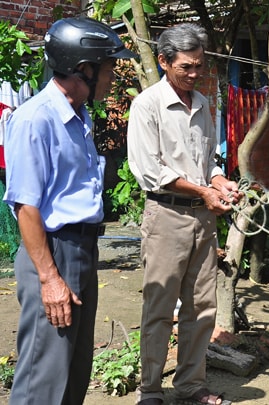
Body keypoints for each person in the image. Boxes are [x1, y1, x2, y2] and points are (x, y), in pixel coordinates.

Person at [2, 17, 137, 405]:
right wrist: (49, 279)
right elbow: (26, 206)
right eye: (109, 69)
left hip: (80, 249)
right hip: (52, 252)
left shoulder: (79, 115)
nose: (113, 78)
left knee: (75, 369)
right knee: (43, 375)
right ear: (84, 69)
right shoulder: (36, 119)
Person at [127, 23, 241, 405]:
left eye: (199, 67)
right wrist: (204, 191)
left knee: (202, 307)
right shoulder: (147, 105)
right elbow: (149, 171)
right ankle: (150, 389)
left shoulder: (204, 104)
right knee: (160, 307)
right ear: (163, 61)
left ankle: (191, 385)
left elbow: (205, 162)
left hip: (203, 220)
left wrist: (220, 181)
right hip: (166, 217)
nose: (194, 74)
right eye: (186, 67)